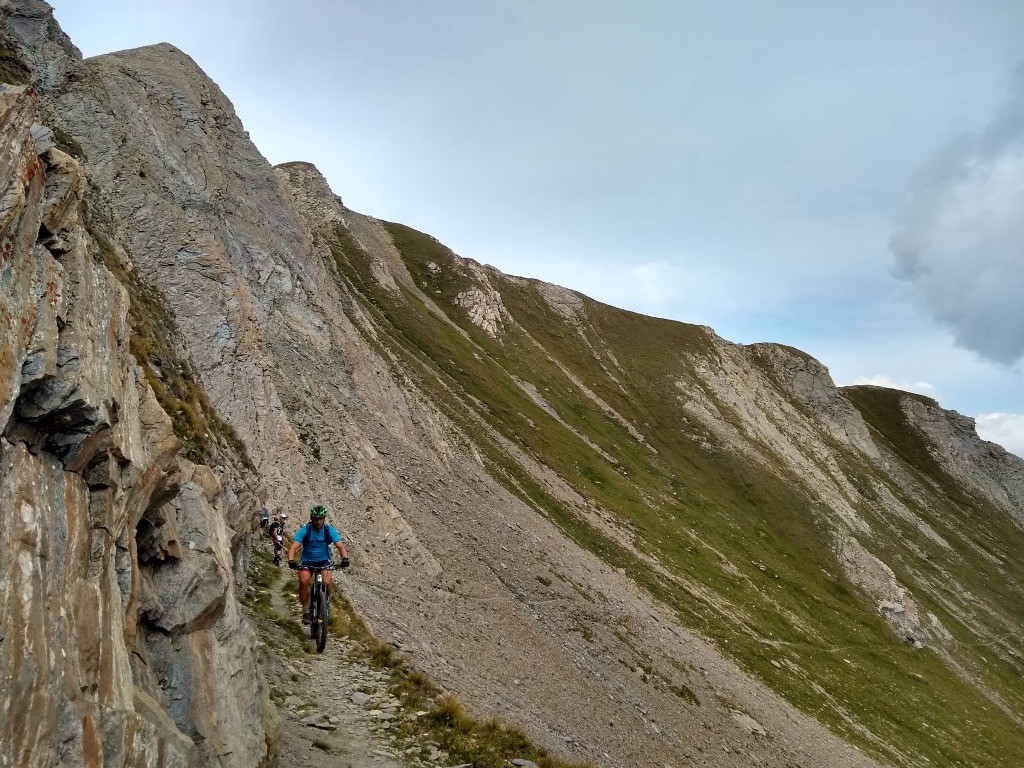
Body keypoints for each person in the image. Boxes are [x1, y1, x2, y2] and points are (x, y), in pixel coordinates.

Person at [288, 505, 350, 625]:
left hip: (323, 561)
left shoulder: (328, 530)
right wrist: (291, 560)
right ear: (311, 518)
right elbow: (293, 546)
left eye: (321, 518)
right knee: (304, 580)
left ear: (324, 519)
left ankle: (325, 602)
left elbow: (340, 546)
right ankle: (306, 610)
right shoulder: (306, 530)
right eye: (315, 518)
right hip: (307, 561)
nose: (318, 521)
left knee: (327, 582)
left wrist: (345, 558)